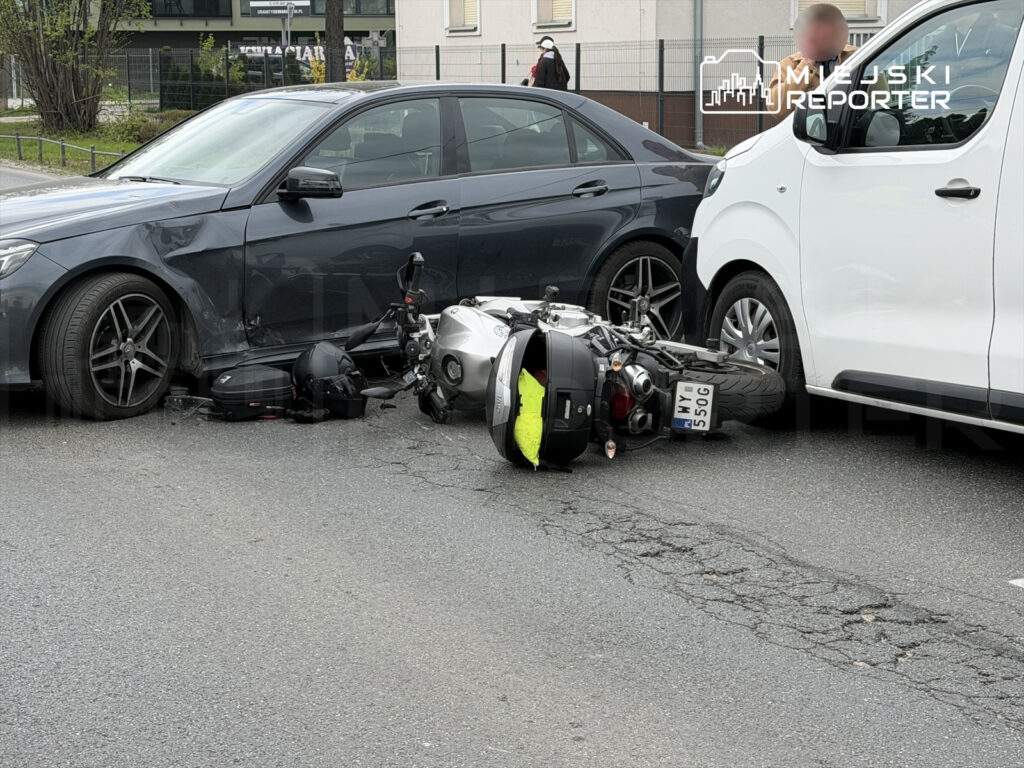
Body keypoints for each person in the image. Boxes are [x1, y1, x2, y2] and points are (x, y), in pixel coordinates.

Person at [767, 3, 857, 117]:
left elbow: (879, 99)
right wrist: (806, 65)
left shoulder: (856, 56)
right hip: (807, 131)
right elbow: (776, 108)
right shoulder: (790, 64)